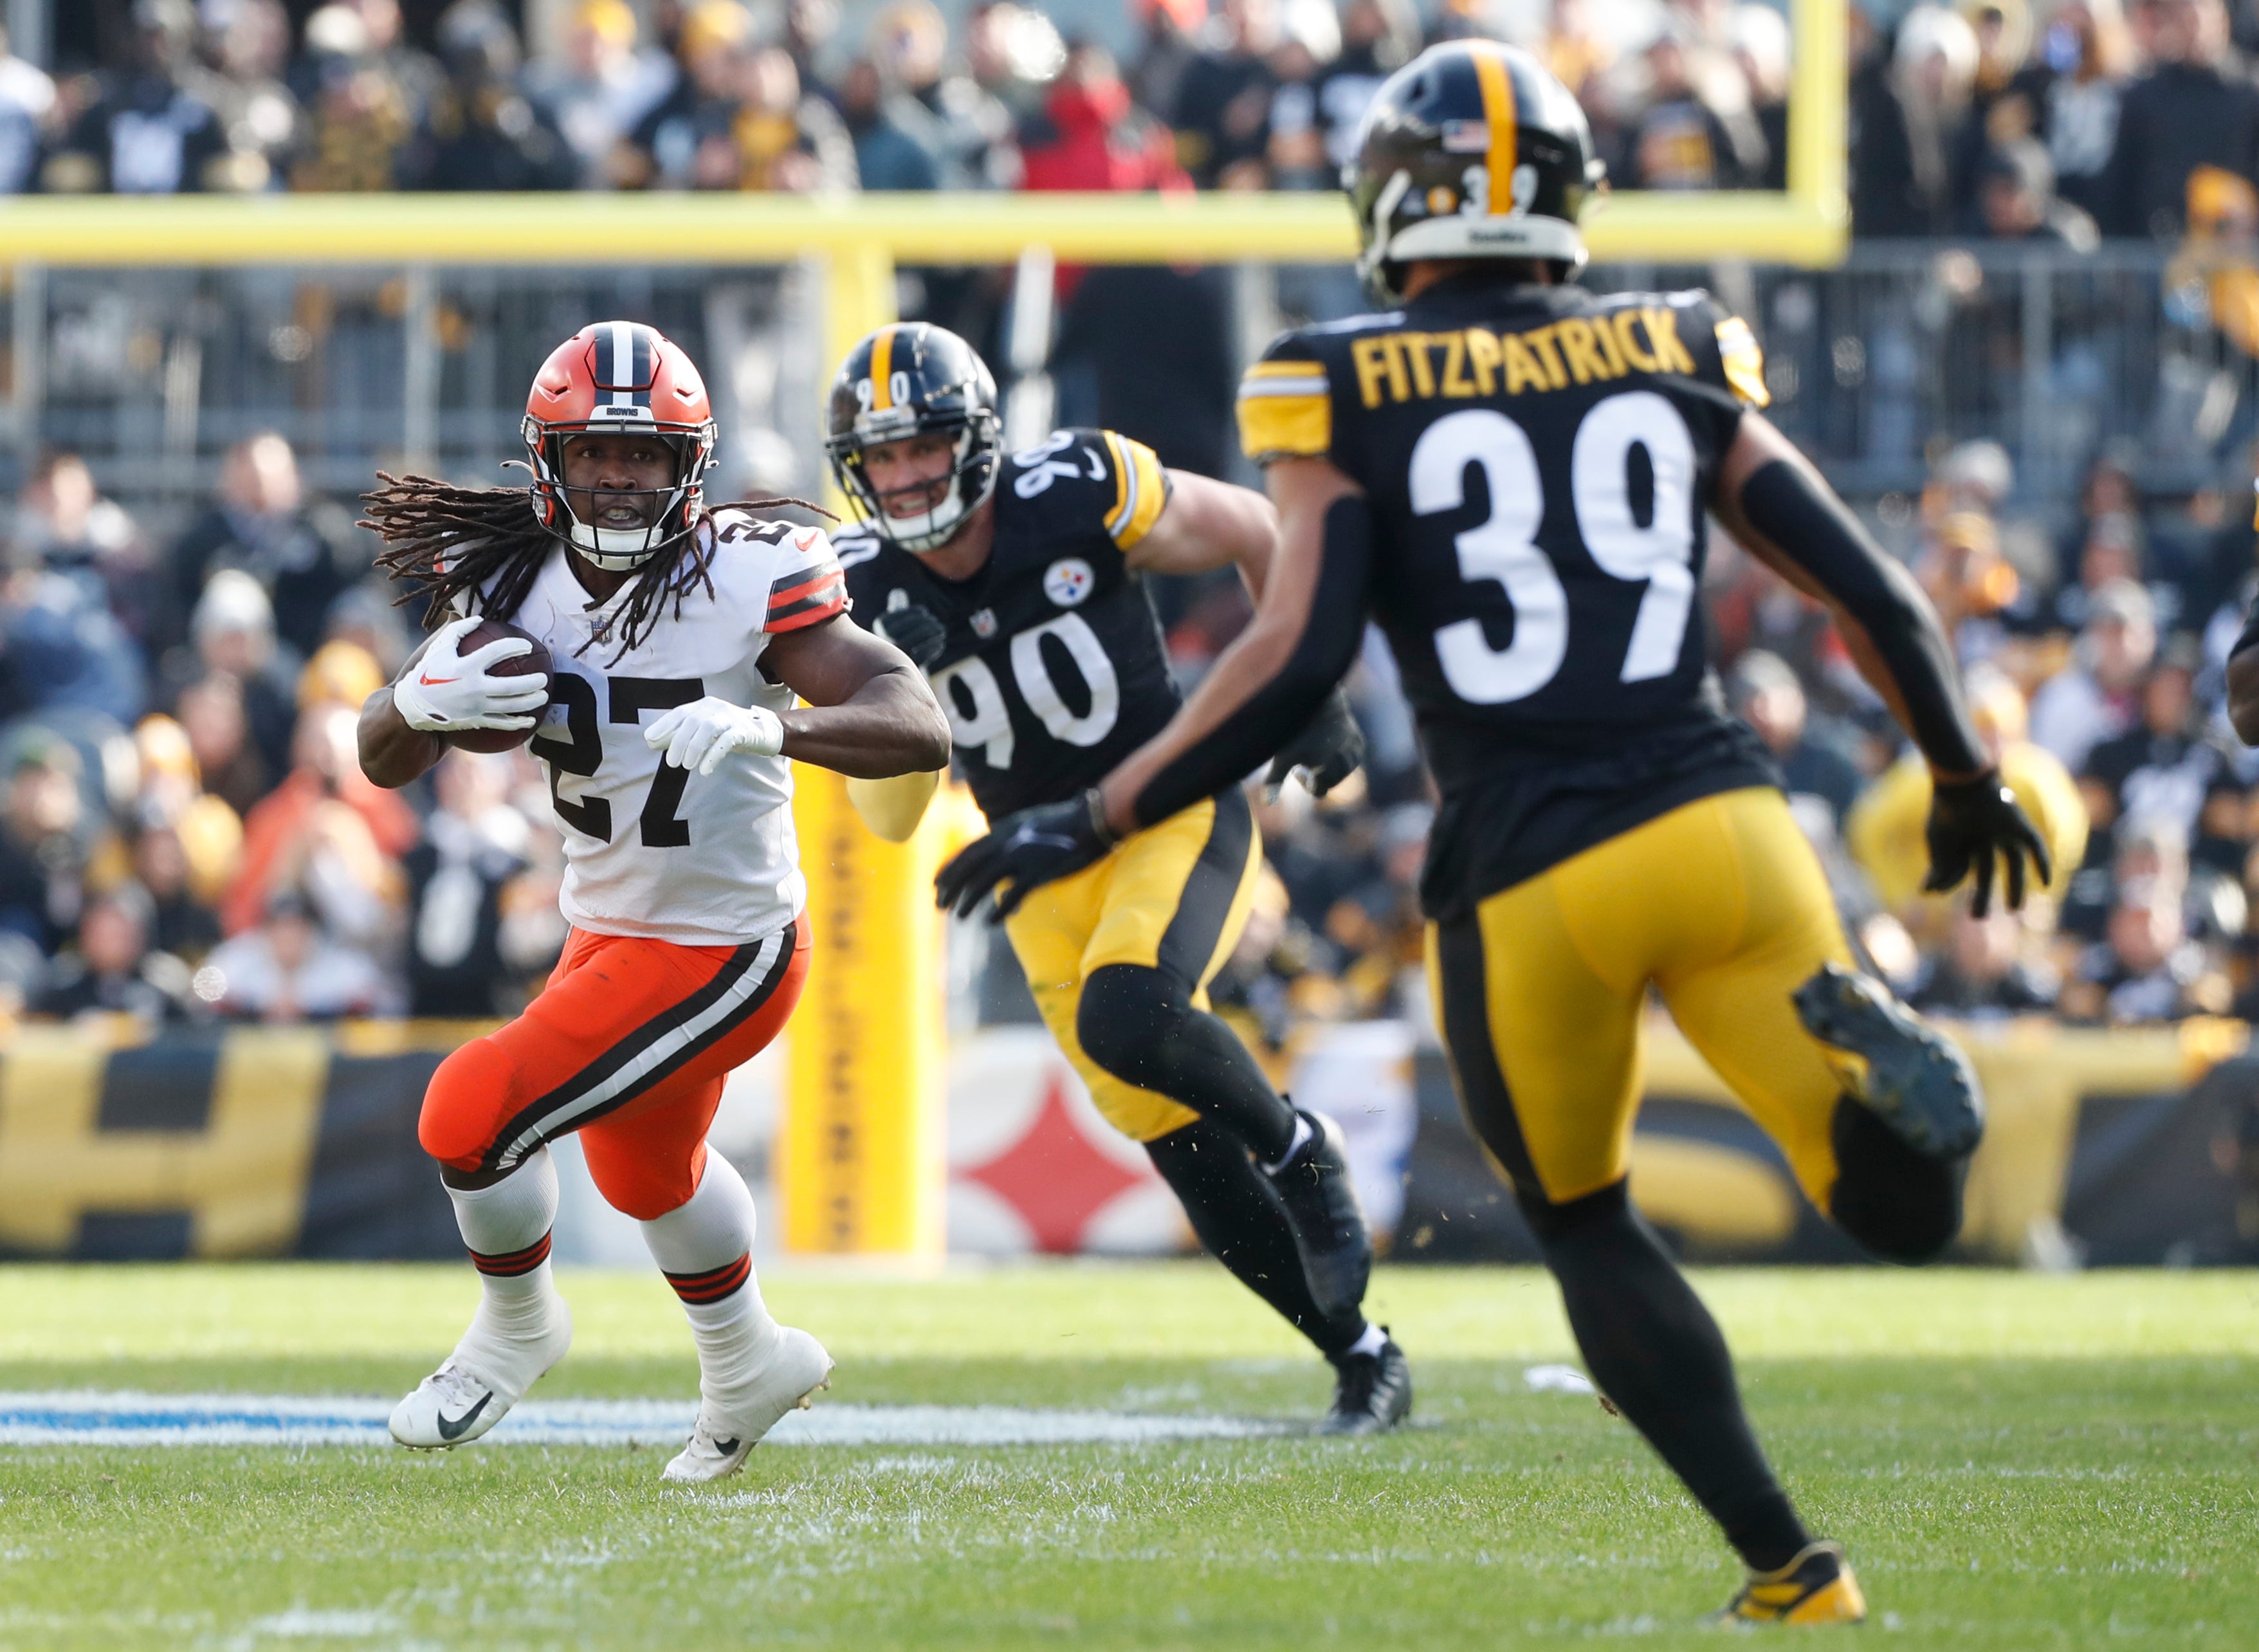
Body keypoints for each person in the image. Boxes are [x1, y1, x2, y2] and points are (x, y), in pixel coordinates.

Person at [932, 42, 2053, 1623]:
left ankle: (1793, 1570)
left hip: (1528, 866)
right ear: (1574, 199)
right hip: (1728, 821)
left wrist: (1102, 813)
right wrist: (1958, 766)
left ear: (1392, 207)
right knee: (1892, 1210)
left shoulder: (1340, 373)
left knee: (1584, 1227)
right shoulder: (1673, 342)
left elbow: (1300, 655)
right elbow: (1869, 589)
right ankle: (1895, 1093)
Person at [356, 320, 949, 1482]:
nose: (621, 479)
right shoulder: (507, 577)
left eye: (644, 455)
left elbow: (916, 720)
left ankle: (517, 1331)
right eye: (597, 454)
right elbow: (382, 759)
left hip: (727, 945)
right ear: (550, 460)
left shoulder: (748, 572)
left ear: (691, 463)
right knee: (644, 1172)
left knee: (469, 1109)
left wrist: (773, 724)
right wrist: (411, 703)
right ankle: (750, 1361)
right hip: (608, 921)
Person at [825, 321, 1408, 1435]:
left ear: (978, 443)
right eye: (881, 456)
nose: (901, 477)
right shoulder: (856, 586)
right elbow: (893, 813)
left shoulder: (1079, 488)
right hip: (1039, 871)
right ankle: (1362, 1352)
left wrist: (1310, 679)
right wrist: (859, 707)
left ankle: (1301, 1148)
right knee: (1169, 1132)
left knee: (1130, 1008)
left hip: (1166, 807)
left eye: (923, 447)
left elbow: (1255, 527)